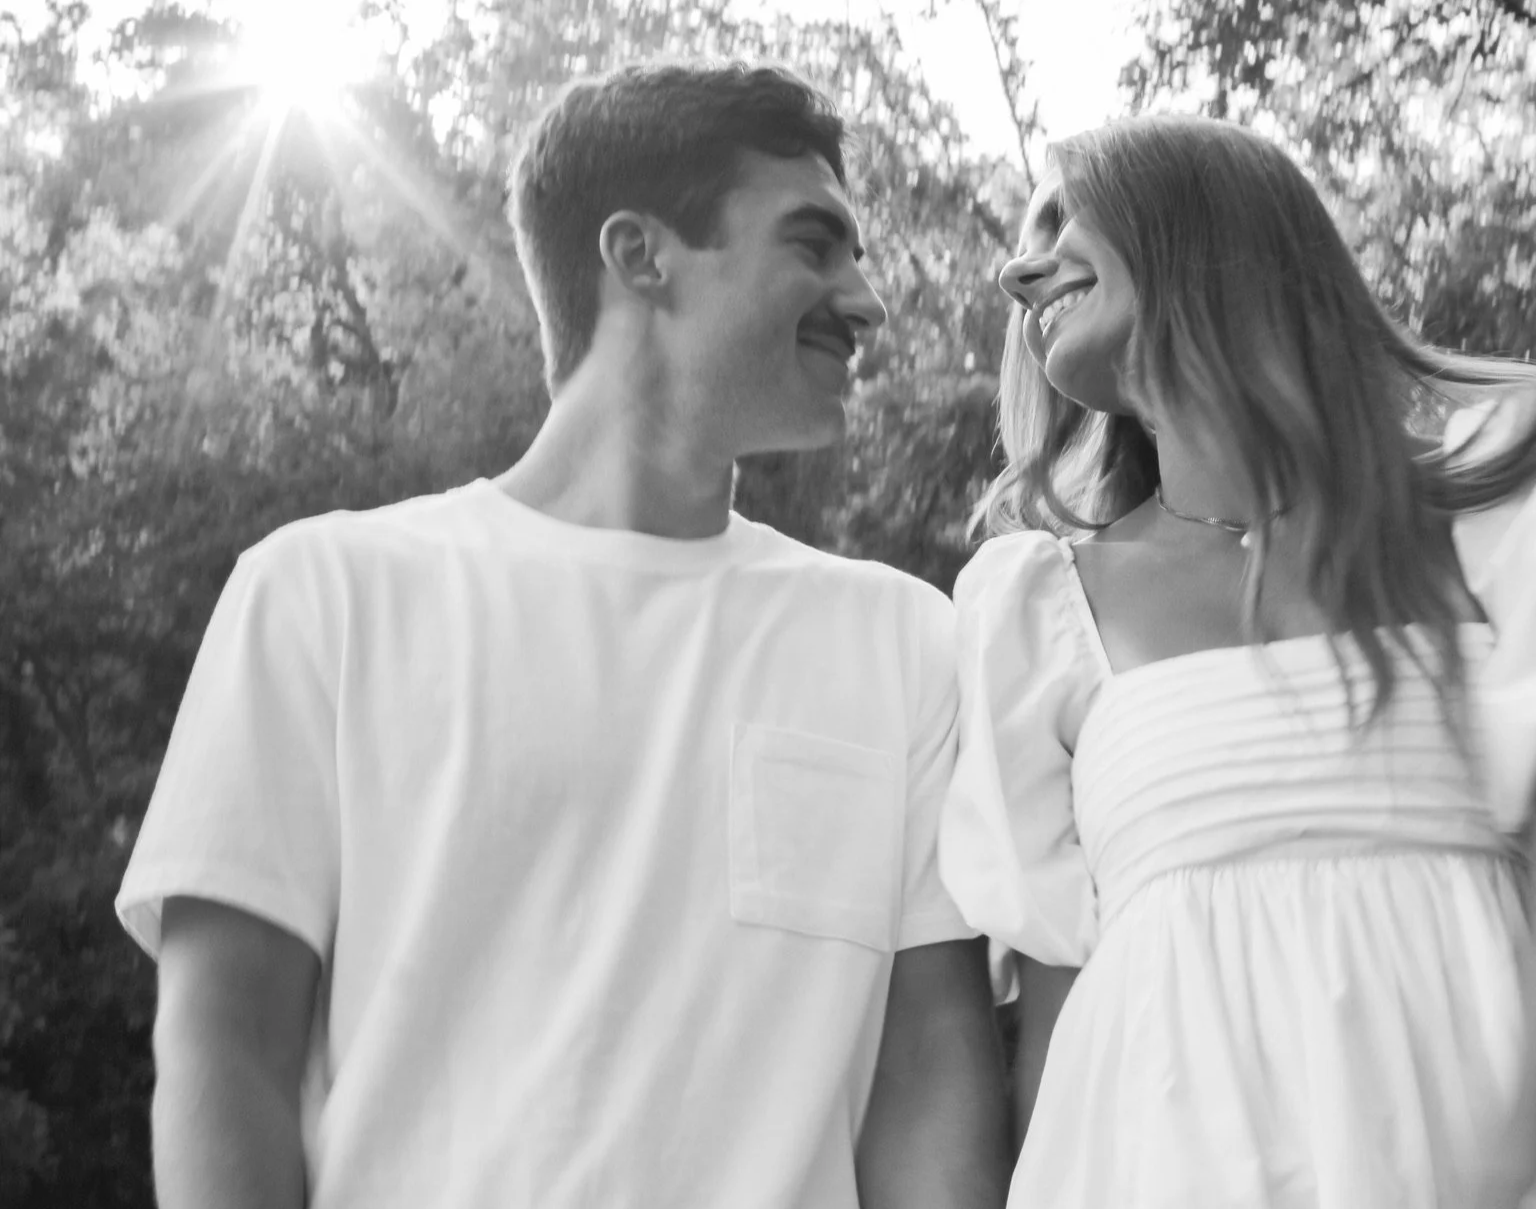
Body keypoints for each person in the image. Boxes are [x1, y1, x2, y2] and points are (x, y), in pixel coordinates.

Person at [116, 62, 1010, 1209]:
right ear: (640, 255)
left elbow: (928, 1080)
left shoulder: (904, 641)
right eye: (813, 244)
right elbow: (224, 1048)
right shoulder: (323, 594)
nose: (867, 300)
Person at [936, 113, 1536, 1207]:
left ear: (1202, 216)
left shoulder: (1501, 507)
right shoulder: (1037, 610)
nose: (1019, 273)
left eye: (1063, 216)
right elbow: (1060, 1005)